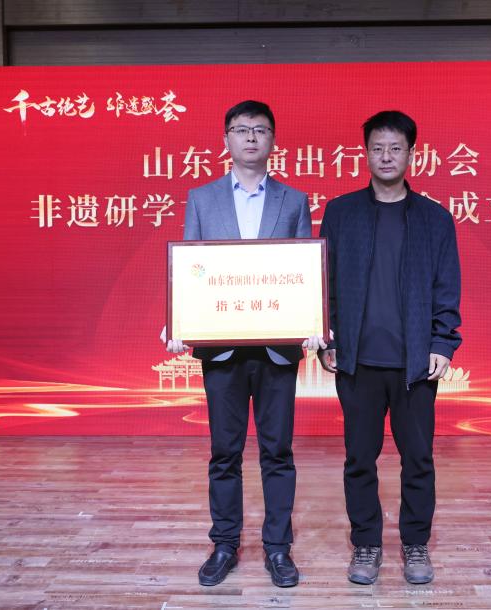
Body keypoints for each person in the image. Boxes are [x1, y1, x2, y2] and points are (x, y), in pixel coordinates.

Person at [160, 100, 325, 588]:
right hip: (222, 349)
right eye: (241, 129)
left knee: (278, 452)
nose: (251, 137)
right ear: (226, 140)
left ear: (273, 140)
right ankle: (225, 544)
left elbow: (304, 271)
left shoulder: (293, 200)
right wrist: (179, 322)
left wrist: (313, 321)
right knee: (224, 452)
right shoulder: (201, 198)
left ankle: (278, 548)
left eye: (260, 130)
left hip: (277, 349)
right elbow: (191, 269)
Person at [318, 110, 462, 585]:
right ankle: (366, 545)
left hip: (414, 364)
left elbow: (447, 287)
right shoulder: (341, 213)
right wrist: (327, 338)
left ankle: (415, 544)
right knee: (359, 459)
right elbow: (325, 284)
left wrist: (442, 342)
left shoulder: (435, 219)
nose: (385, 156)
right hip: (357, 361)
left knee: (418, 460)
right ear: (365, 153)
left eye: (395, 148)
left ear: (411, 154)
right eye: (377, 148)